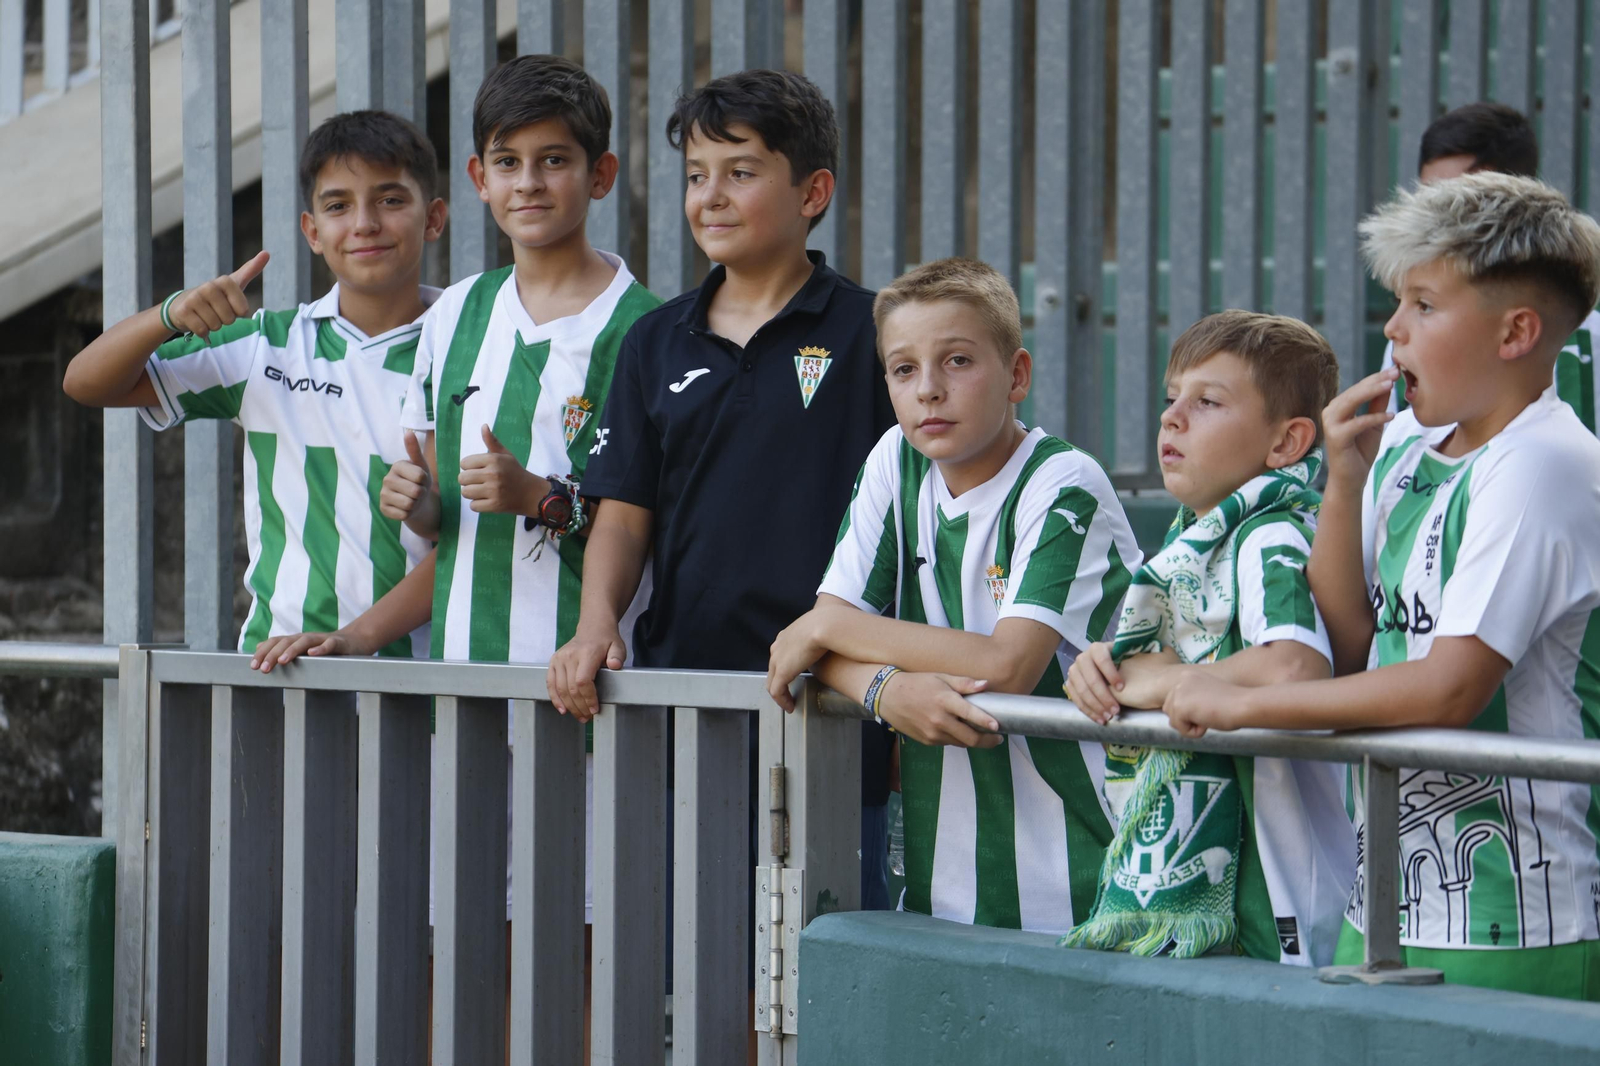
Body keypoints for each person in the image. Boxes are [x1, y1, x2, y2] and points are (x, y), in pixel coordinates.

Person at [1162, 173, 1600, 1000]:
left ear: (1516, 331)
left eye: (1425, 306)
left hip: (1523, 916)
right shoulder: (1401, 446)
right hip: (1389, 905)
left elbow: (1447, 690)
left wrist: (1239, 702)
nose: (1393, 329)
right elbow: (1347, 640)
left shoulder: (1544, 464)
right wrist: (1344, 485)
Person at [251, 55, 660, 932]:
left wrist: (538, 495)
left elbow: (656, 523)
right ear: (477, 180)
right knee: (457, 951)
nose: (531, 182)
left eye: (555, 160)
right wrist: (371, 605)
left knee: (578, 945)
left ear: (601, 174)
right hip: (462, 704)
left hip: (588, 698)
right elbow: (454, 537)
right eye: (508, 162)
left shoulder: (651, 332)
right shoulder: (454, 315)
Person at [546, 68, 898, 908]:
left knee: (829, 970)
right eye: (697, 176)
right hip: (691, 705)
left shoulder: (877, 332)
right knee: (696, 970)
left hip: (836, 702)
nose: (712, 196)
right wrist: (596, 624)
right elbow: (624, 514)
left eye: (741, 172)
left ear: (813, 191)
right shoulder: (653, 341)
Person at [765, 257, 1141, 933]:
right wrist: (885, 689)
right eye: (904, 369)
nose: (929, 390)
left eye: (958, 361)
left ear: (1017, 375)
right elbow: (819, 640)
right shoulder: (896, 460)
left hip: (1092, 875)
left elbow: (1006, 668)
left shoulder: (1063, 484)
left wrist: (827, 632)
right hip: (946, 880)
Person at [63, 109, 447, 655]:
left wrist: (356, 636)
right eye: (338, 205)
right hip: (283, 672)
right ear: (312, 231)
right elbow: (85, 382)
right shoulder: (265, 345)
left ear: (433, 218)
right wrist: (170, 314)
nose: (364, 223)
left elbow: (477, 540)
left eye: (390, 200)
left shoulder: (470, 348)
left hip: (428, 684)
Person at [1059, 311, 1353, 965]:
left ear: (1286, 443)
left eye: (1208, 402)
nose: (1173, 418)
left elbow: (1293, 668)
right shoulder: (1198, 544)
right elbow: (1175, 661)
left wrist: (1149, 680)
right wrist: (1107, 668)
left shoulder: (1270, 532)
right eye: (1172, 400)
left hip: (1275, 898)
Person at [1380, 101, 1600, 427]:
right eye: (1428, 202)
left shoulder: (1589, 340)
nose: (1436, 225)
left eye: (1461, 205)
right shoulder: (1408, 340)